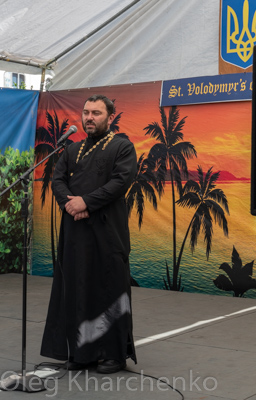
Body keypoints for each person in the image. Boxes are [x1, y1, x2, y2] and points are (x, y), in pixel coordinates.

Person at [40, 94, 137, 374]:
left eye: (96, 113)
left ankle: (112, 355)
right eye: (85, 113)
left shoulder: (122, 147)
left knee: (109, 290)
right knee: (77, 288)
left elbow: (120, 182)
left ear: (109, 117)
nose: (89, 118)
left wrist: (86, 202)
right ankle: (82, 353)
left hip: (108, 232)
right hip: (75, 232)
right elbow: (57, 179)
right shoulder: (72, 150)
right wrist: (71, 204)